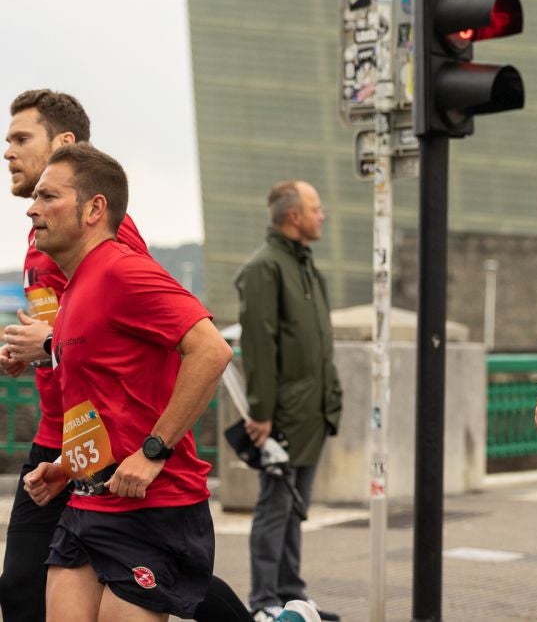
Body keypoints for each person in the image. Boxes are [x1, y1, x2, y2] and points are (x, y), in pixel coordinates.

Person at [0, 91, 254, 622]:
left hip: (146, 490)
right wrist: (66, 464)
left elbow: (199, 346)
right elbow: (95, 366)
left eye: (21, 139)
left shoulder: (115, 261)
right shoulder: (68, 275)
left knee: (28, 585)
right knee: (25, 589)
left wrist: (154, 450)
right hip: (81, 470)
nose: (31, 207)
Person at [236, 181, 344, 622]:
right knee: (274, 507)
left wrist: (330, 396)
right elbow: (259, 343)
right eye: (316, 208)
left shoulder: (305, 266)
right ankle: (264, 601)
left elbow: (317, 342)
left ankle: (291, 595)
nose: (323, 216)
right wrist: (261, 412)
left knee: (294, 508)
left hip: (313, 411)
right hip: (282, 414)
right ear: (294, 216)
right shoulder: (265, 268)